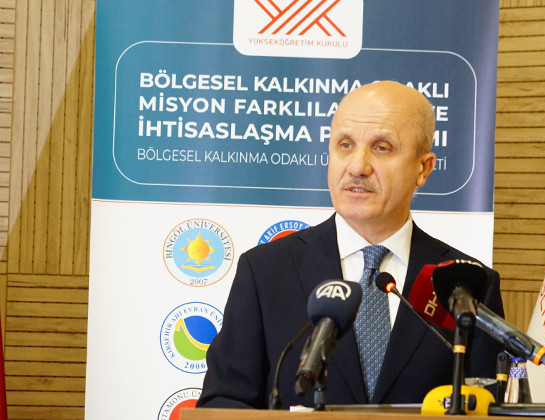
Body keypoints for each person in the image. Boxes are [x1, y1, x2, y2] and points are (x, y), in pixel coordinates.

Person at [197, 81, 504, 408]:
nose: (357, 167)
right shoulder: (266, 272)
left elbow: (491, 407)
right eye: (345, 145)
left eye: (382, 147)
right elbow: (222, 402)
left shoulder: (467, 285)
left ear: (423, 168)